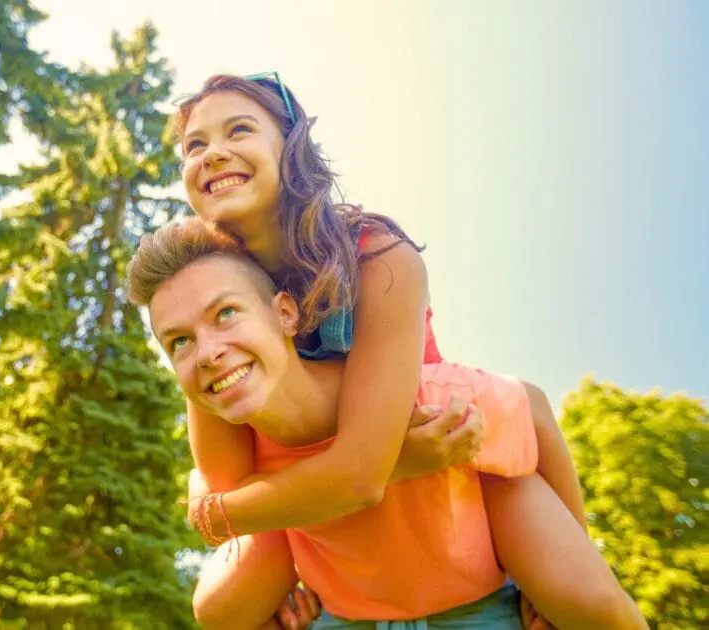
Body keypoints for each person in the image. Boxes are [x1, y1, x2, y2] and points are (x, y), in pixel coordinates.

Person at [141, 73, 644, 629]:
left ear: (291, 149)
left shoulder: (374, 255)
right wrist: (218, 516)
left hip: (436, 446)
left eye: (239, 130)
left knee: (591, 600)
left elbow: (374, 467)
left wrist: (214, 515)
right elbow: (224, 476)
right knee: (220, 607)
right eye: (194, 146)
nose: (213, 154)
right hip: (325, 486)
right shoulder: (209, 290)